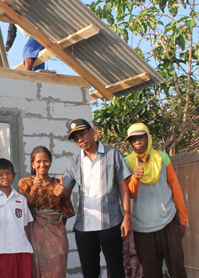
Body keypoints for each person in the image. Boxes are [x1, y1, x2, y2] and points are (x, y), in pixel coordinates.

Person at [55, 118, 132, 278]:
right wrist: (60, 191)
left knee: (117, 270)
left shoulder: (112, 154)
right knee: (90, 273)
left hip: (111, 223)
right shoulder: (74, 162)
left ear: (92, 132)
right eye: (76, 138)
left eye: (82, 134)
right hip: (84, 228)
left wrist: (127, 217)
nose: (80, 140)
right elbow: (66, 193)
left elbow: (123, 186)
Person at [124, 123, 188, 278]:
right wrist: (135, 178)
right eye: (133, 139)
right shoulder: (127, 163)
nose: (138, 141)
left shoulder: (162, 157)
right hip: (143, 228)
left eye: (141, 137)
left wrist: (183, 219)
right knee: (151, 273)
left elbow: (175, 189)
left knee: (178, 270)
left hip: (169, 222)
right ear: (129, 143)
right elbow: (129, 194)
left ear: (148, 138)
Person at [18, 146, 75, 278]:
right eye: (38, 162)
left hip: (57, 236)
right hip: (35, 235)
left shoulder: (58, 183)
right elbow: (25, 207)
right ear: (33, 164)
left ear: (50, 162)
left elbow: (66, 212)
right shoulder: (25, 183)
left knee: (58, 269)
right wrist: (34, 189)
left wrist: (63, 192)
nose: (42, 164)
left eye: (46, 161)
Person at [0, 158, 34, 278]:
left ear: (14, 176)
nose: (5, 177)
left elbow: (26, 226)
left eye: (8, 173)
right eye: (1, 174)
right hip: (2, 250)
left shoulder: (21, 199)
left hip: (23, 249)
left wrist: (28, 244)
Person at [0, 0, 46, 71]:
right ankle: (37, 78)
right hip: (32, 37)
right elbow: (11, 31)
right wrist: (8, 45)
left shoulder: (20, 5)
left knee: (28, 51)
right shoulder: (12, 15)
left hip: (39, 32)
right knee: (37, 59)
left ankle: (27, 76)